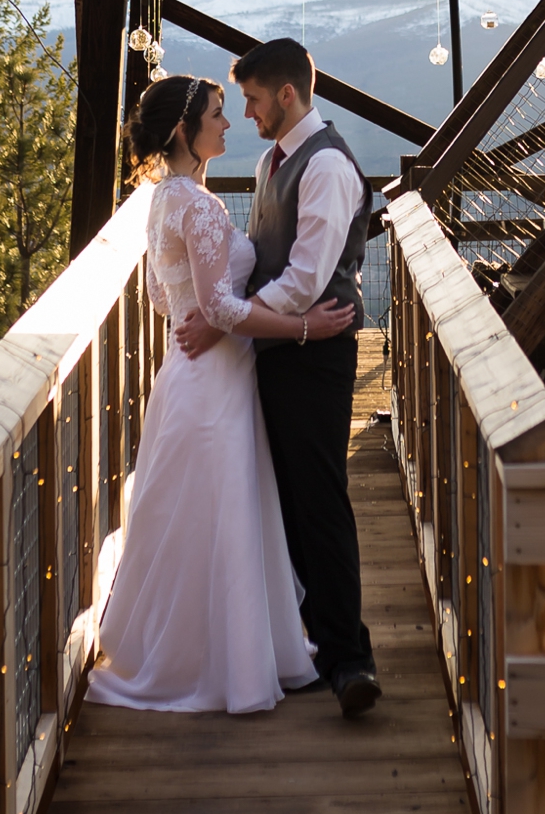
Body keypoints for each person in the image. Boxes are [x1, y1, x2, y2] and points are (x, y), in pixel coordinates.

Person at [88, 74, 354, 715]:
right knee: (224, 513)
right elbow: (222, 311)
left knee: (197, 517)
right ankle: (225, 661)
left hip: (186, 378)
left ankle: (199, 650)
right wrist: (302, 326)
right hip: (217, 383)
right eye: (216, 115)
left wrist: (203, 308)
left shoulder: (160, 200)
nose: (228, 123)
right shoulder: (201, 207)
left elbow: (165, 299)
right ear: (186, 131)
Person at [174, 36, 381, 719]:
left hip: (314, 353)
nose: (249, 113)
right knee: (293, 500)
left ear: (286, 94)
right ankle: (329, 640)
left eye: (255, 100)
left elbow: (303, 280)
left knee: (318, 498)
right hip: (281, 350)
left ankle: (351, 660)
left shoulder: (324, 167)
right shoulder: (274, 160)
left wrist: (226, 321)